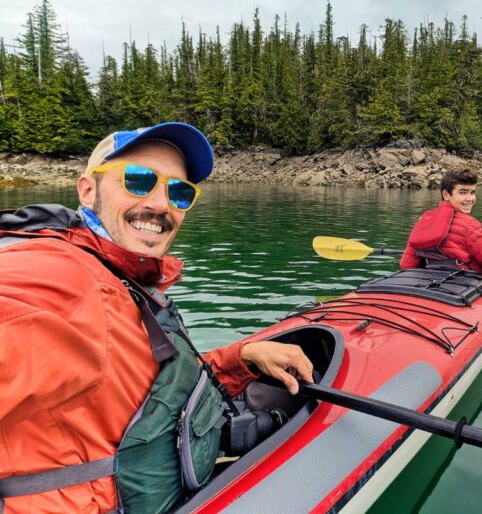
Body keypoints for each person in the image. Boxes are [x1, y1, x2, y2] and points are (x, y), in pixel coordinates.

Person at [0, 122, 314, 514]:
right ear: (87, 190)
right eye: (138, 180)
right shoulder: (57, 277)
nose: (162, 204)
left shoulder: (120, 277)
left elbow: (141, 389)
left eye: (179, 192)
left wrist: (241, 358)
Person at [399, 166, 482, 275]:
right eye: (463, 192)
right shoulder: (468, 225)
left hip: (428, 281)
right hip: (461, 286)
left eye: (472, 192)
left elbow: (406, 265)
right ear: (446, 194)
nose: (470, 199)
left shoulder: (424, 220)